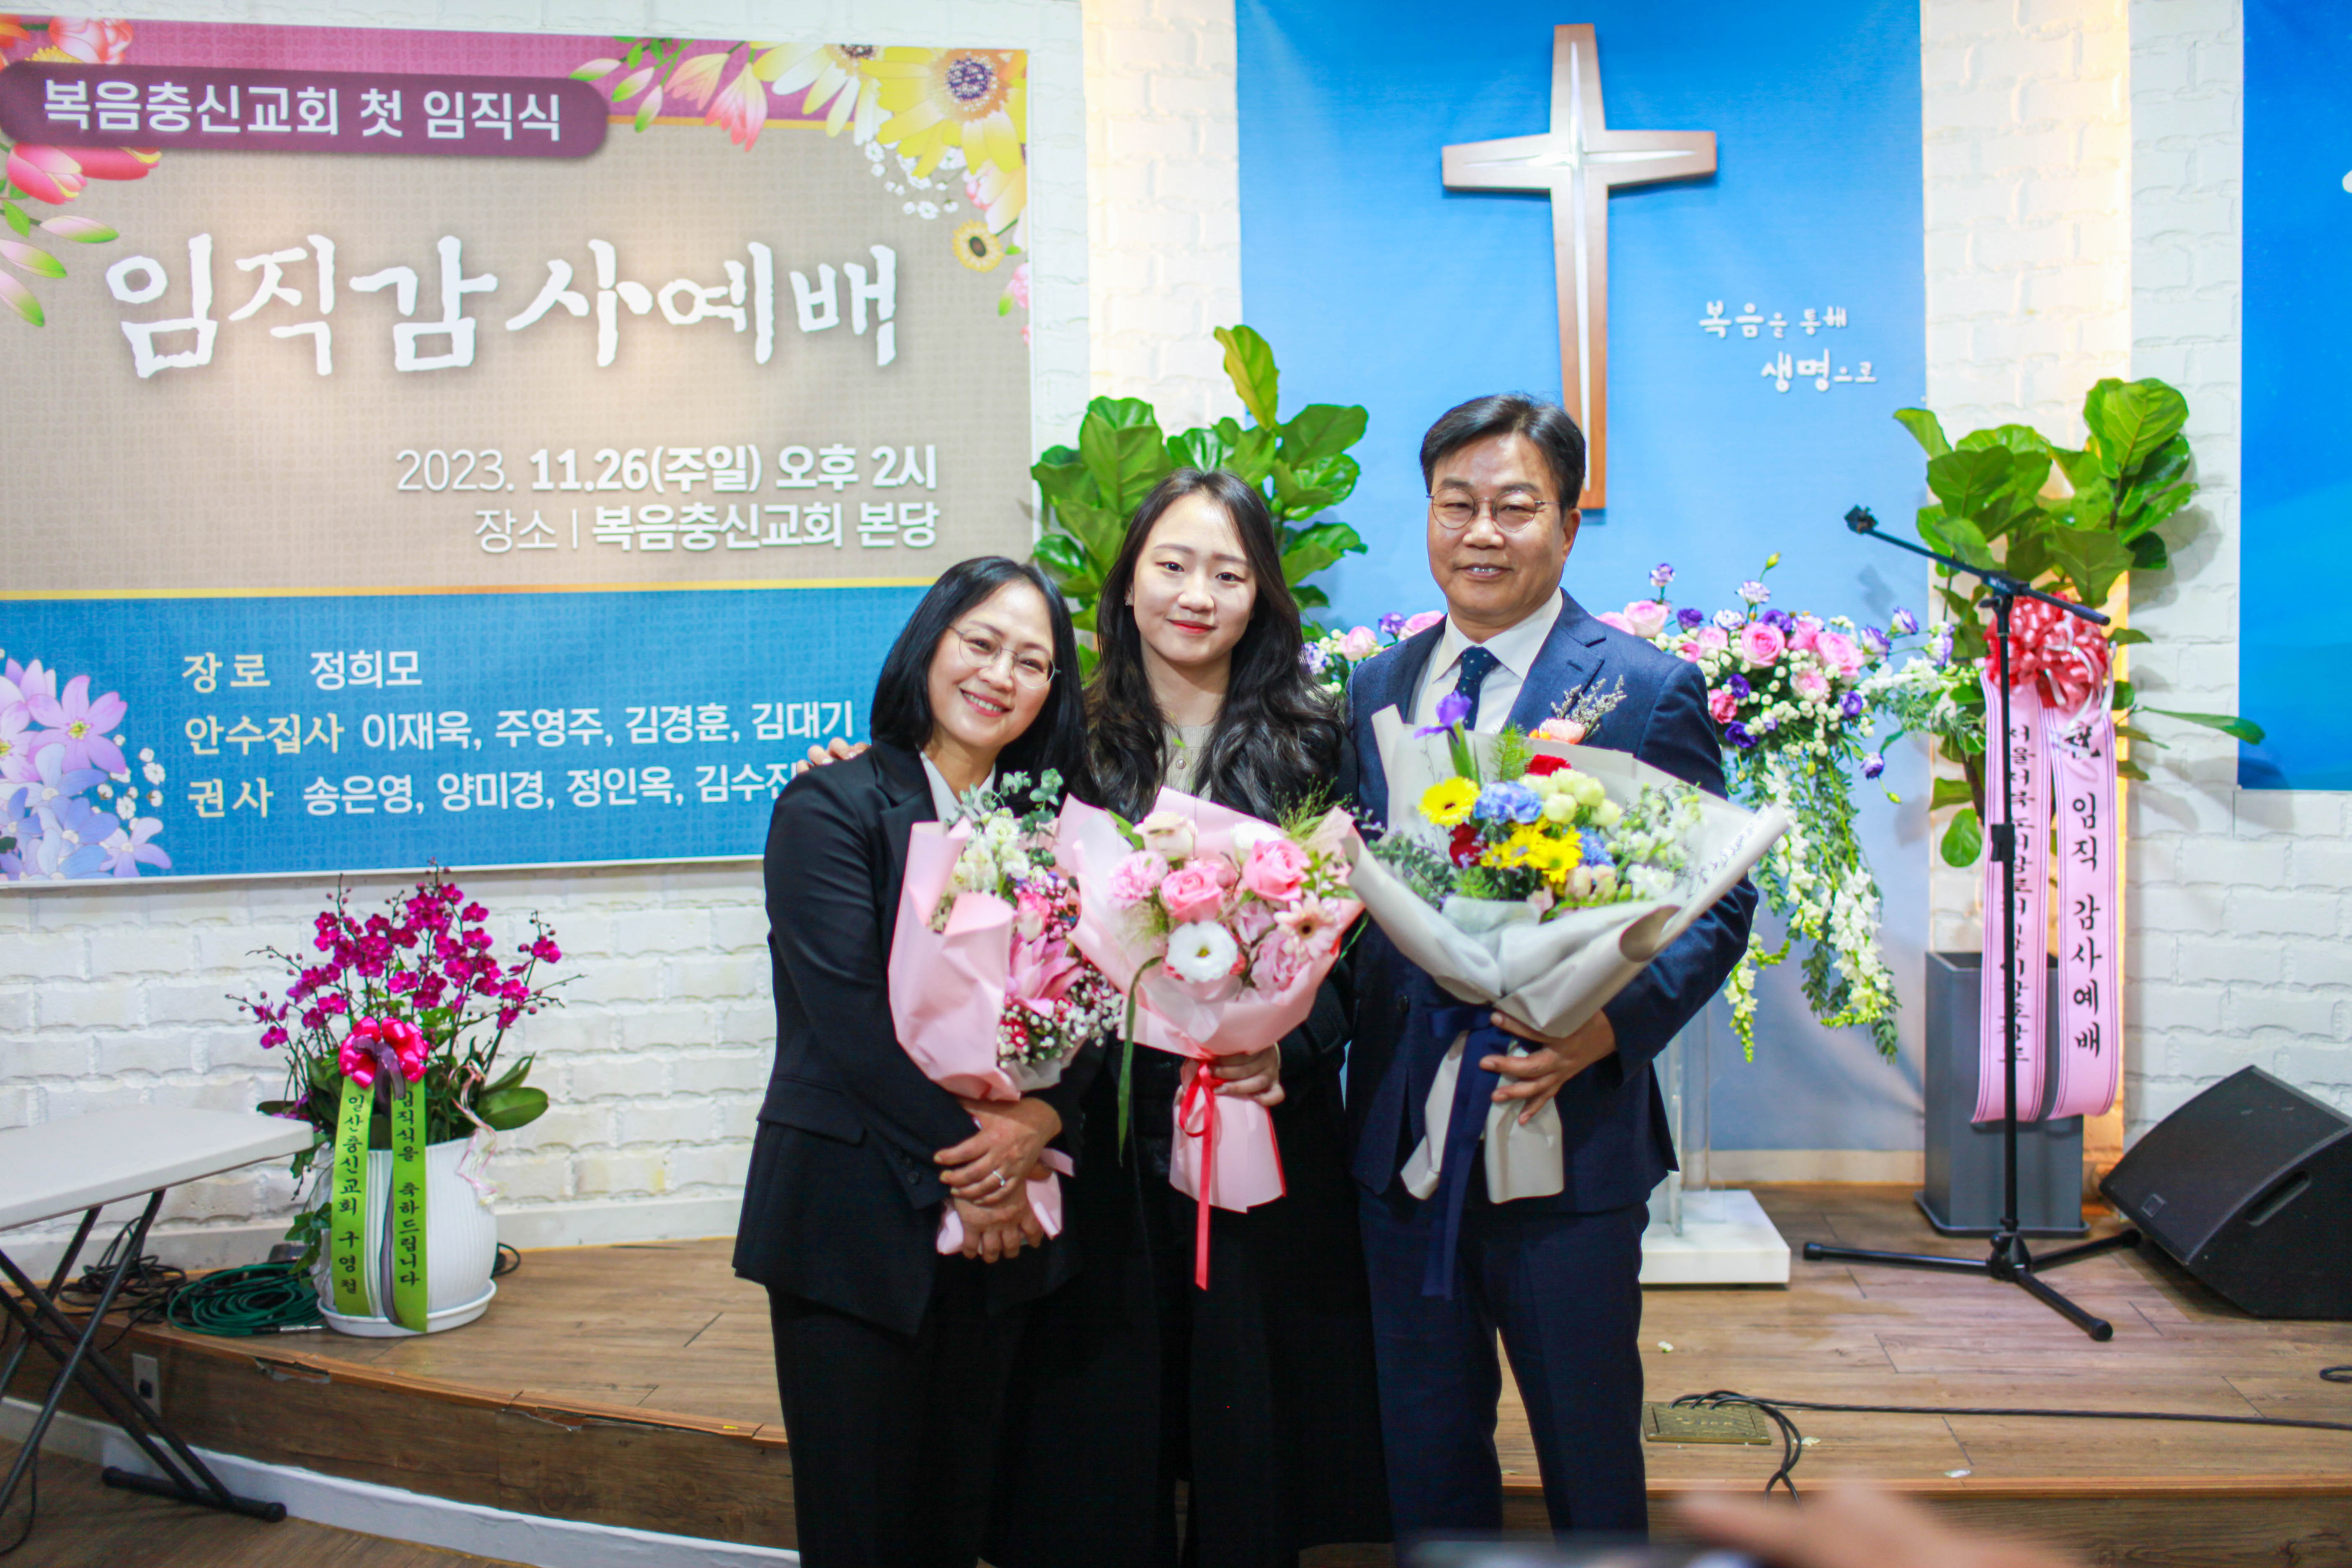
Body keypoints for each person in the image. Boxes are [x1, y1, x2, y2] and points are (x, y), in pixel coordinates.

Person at [1345, 395, 1758, 1541]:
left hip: (1567, 1133)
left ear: (1569, 526)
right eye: (1456, 505)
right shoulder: (1377, 688)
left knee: (1587, 1449)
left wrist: (1602, 1033)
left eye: (1516, 507)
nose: (1482, 532)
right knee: (1425, 1447)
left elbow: (1718, 903)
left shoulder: (1643, 687)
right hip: (1404, 1141)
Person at [987, 468, 1390, 1568]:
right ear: (1128, 584)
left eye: (1228, 573)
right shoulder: (1064, 733)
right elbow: (1019, 907)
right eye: (1172, 566)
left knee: (1247, 1395)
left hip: (1260, 1113)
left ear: (1262, 597)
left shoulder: (1318, 737)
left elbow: (1367, 939)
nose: (1197, 595)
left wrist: (1289, 1042)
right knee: (1103, 1397)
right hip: (1104, 1111)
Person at [732, 557, 1101, 1568]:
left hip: (1004, 1233)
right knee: (861, 1528)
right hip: (854, 1221)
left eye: (1033, 662)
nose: (1000, 675)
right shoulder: (831, 804)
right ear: (930, 646)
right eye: (981, 643)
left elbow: (1094, 1007)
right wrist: (978, 1171)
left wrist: (1042, 1120)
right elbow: (846, 1023)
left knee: (957, 1519)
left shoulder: (1052, 830)